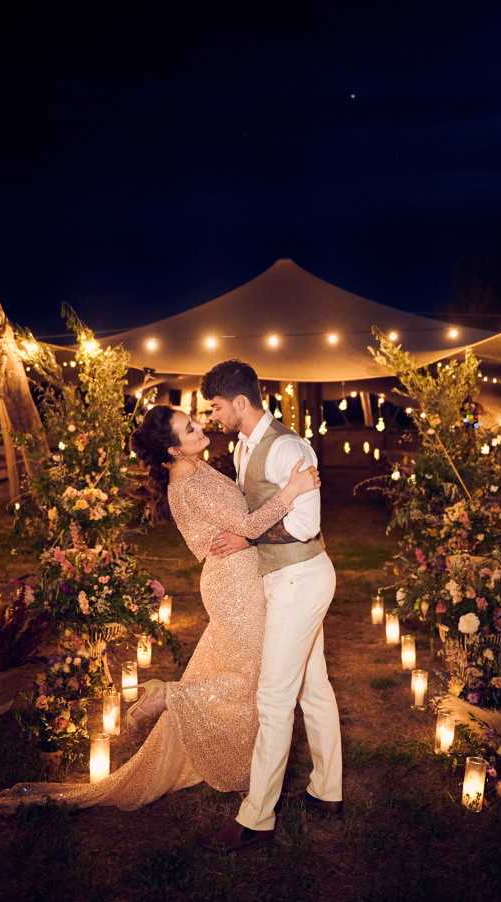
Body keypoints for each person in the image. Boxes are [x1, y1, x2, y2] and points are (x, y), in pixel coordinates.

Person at [0, 404, 318, 813]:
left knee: (245, 674)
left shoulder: (193, 467)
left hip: (237, 579)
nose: (199, 427)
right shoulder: (188, 482)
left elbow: (238, 523)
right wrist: (292, 492)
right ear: (172, 450)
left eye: (194, 422)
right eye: (189, 429)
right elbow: (247, 525)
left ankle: (248, 767)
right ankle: (168, 695)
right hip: (235, 588)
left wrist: (246, 530)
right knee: (251, 679)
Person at [199, 359, 342, 854]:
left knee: (274, 698)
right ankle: (328, 791)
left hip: (301, 579)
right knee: (313, 688)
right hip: (286, 579)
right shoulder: (242, 445)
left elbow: (304, 524)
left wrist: (245, 537)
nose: (213, 417)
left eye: (216, 407)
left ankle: (257, 818)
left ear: (240, 402)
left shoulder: (287, 447)